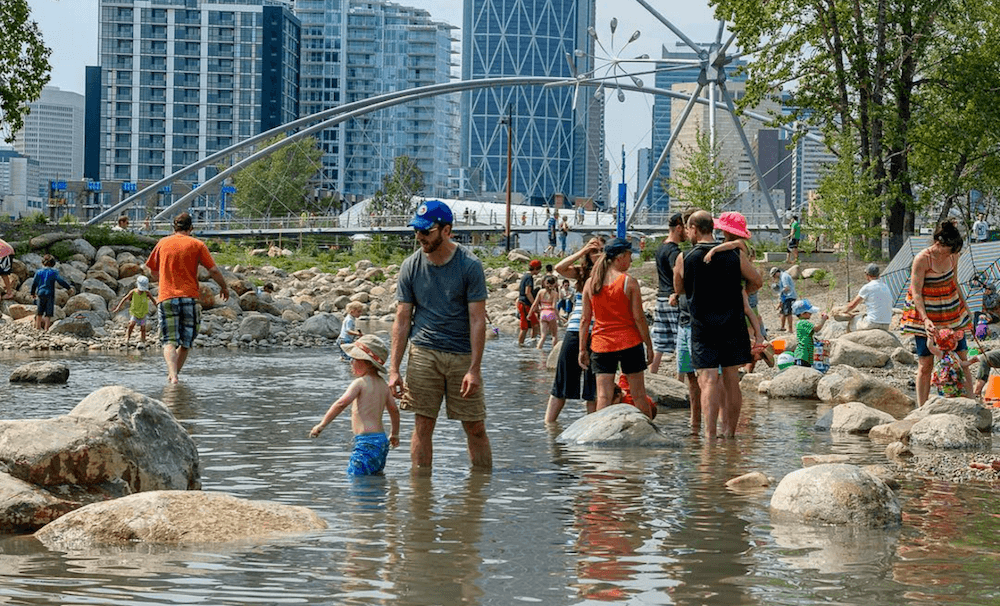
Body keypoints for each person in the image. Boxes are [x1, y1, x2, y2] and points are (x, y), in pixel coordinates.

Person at [388, 199, 491, 470]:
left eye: (426, 231)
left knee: (475, 426)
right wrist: (394, 369)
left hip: (461, 355)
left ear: (447, 231)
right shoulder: (410, 266)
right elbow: (401, 320)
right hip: (423, 353)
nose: (420, 237)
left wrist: (475, 369)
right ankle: (420, 497)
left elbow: (477, 320)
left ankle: (480, 490)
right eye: (417, 231)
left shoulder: (470, 265)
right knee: (423, 424)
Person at [680, 210, 763, 439]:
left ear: (694, 229)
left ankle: (709, 438)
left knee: (707, 381)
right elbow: (757, 280)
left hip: (702, 326)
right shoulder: (736, 255)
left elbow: (679, 289)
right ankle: (730, 435)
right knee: (731, 379)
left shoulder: (686, 257)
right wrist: (742, 292)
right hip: (732, 323)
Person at [146, 212, 231, 383]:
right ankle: (175, 375)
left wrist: (162, 279)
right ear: (191, 228)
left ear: (174, 227)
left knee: (168, 341)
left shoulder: (162, 243)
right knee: (186, 342)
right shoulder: (197, 244)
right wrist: (224, 286)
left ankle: (172, 375)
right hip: (189, 298)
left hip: (166, 298)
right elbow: (213, 270)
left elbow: (152, 271)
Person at [578, 237, 655, 418]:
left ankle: (601, 436)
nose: (631, 260)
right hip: (629, 342)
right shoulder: (629, 282)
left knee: (603, 396)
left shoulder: (591, 283)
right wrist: (649, 345)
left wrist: (582, 349)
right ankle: (648, 436)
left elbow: (585, 319)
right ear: (620, 257)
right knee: (638, 395)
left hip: (601, 344)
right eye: (629, 255)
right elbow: (639, 318)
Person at [899, 220, 973, 404]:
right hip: (926, 311)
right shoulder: (922, 259)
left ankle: (971, 402)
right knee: (926, 364)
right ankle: (922, 407)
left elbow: (954, 282)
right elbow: (916, 292)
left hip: (950, 310)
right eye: (950, 249)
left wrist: (966, 308)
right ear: (939, 244)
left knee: (962, 356)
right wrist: (925, 319)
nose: (953, 253)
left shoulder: (953, 256)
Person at [310, 335, 400, 475]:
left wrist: (321, 425)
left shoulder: (360, 383)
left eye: (354, 359)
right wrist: (394, 434)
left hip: (366, 442)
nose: (350, 362)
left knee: (355, 478)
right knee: (375, 477)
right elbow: (394, 410)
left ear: (368, 363)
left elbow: (341, 404)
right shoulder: (384, 385)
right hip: (382, 442)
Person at [545, 237, 604, 424]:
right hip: (575, 329)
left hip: (598, 330)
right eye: (594, 251)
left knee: (592, 387)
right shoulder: (581, 273)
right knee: (562, 380)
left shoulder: (609, 274)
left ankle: (591, 426)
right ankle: (549, 426)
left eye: (601, 250)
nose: (597, 254)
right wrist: (582, 251)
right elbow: (559, 268)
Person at [650, 213, 686, 374]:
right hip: (673, 299)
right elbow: (678, 275)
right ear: (679, 228)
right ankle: (681, 382)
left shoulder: (660, 248)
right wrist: (678, 293)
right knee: (681, 341)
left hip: (660, 299)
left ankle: (652, 377)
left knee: (660, 342)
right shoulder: (674, 251)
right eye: (686, 228)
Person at [843, 263, 893, 332]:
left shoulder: (867, 287)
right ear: (878, 275)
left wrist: (843, 311)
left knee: (853, 321)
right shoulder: (886, 286)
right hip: (886, 324)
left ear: (867, 275)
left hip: (872, 323)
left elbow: (852, 305)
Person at [30, 254, 73, 331]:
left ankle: (37, 327)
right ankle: (46, 328)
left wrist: (32, 293)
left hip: (40, 292)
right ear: (53, 263)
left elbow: (34, 283)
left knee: (39, 311)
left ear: (43, 263)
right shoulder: (54, 272)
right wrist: (68, 287)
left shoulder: (39, 272)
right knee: (48, 312)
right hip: (50, 293)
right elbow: (60, 281)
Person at [112, 275, 158, 343]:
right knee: (131, 324)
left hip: (143, 314)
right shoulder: (133, 292)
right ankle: (127, 336)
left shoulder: (147, 293)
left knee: (143, 327)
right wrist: (118, 307)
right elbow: (125, 299)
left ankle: (143, 340)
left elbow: (153, 300)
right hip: (135, 313)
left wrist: (158, 307)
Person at [928, 328, 967, 398]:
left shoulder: (953, 354)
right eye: (955, 341)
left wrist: (972, 361)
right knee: (946, 394)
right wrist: (930, 337)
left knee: (956, 394)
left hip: (955, 380)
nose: (957, 343)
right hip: (944, 381)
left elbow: (962, 364)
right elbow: (930, 347)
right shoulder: (941, 353)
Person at [790, 299, 828, 367]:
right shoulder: (803, 323)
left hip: (804, 355)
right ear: (802, 313)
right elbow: (817, 328)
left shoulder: (800, 322)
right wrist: (823, 319)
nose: (811, 314)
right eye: (809, 313)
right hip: (803, 355)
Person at [528, 274, 560, 350]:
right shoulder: (555, 293)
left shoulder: (540, 292)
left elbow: (535, 304)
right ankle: (554, 352)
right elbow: (554, 306)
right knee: (554, 335)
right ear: (554, 284)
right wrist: (559, 317)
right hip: (551, 313)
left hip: (543, 313)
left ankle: (538, 350)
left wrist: (529, 314)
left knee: (543, 336)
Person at [517, 259, 542, 346]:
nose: (539, 271)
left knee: (535, 324)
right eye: (539, 269)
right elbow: (528, 292)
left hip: (523, 303)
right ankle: (521, 345)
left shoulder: (525, 276)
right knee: (524, 327)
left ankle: (532, 342)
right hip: (525, 304)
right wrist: (534, 305)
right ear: (535, 268)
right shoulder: (529, 277)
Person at [770, 266, 797, 332]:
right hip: (785, 297)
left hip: (789, 296)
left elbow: (786, 288)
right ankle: (782, 327)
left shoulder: (784, 276)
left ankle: (790, 329)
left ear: (777, 273)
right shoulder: (781, 278)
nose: (774, 277)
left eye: (774, 275)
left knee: (788, 313)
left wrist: (779, 293)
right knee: (782, 312)